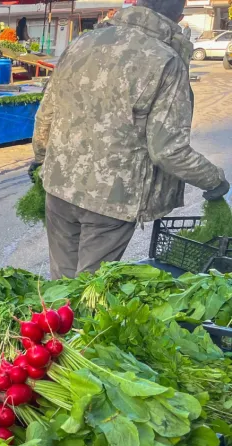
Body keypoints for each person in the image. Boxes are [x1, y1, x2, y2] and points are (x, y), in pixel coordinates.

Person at [31, 0, 229, 280]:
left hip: (59, 186)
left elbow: (46, 113)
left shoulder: (83, 42)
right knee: (89, 291)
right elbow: (167, 149)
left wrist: (40, 156)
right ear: (180, 17)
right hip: (111, 200)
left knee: (61, 284)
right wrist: (213, 180)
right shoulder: (166, 60)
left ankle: (55, 323)